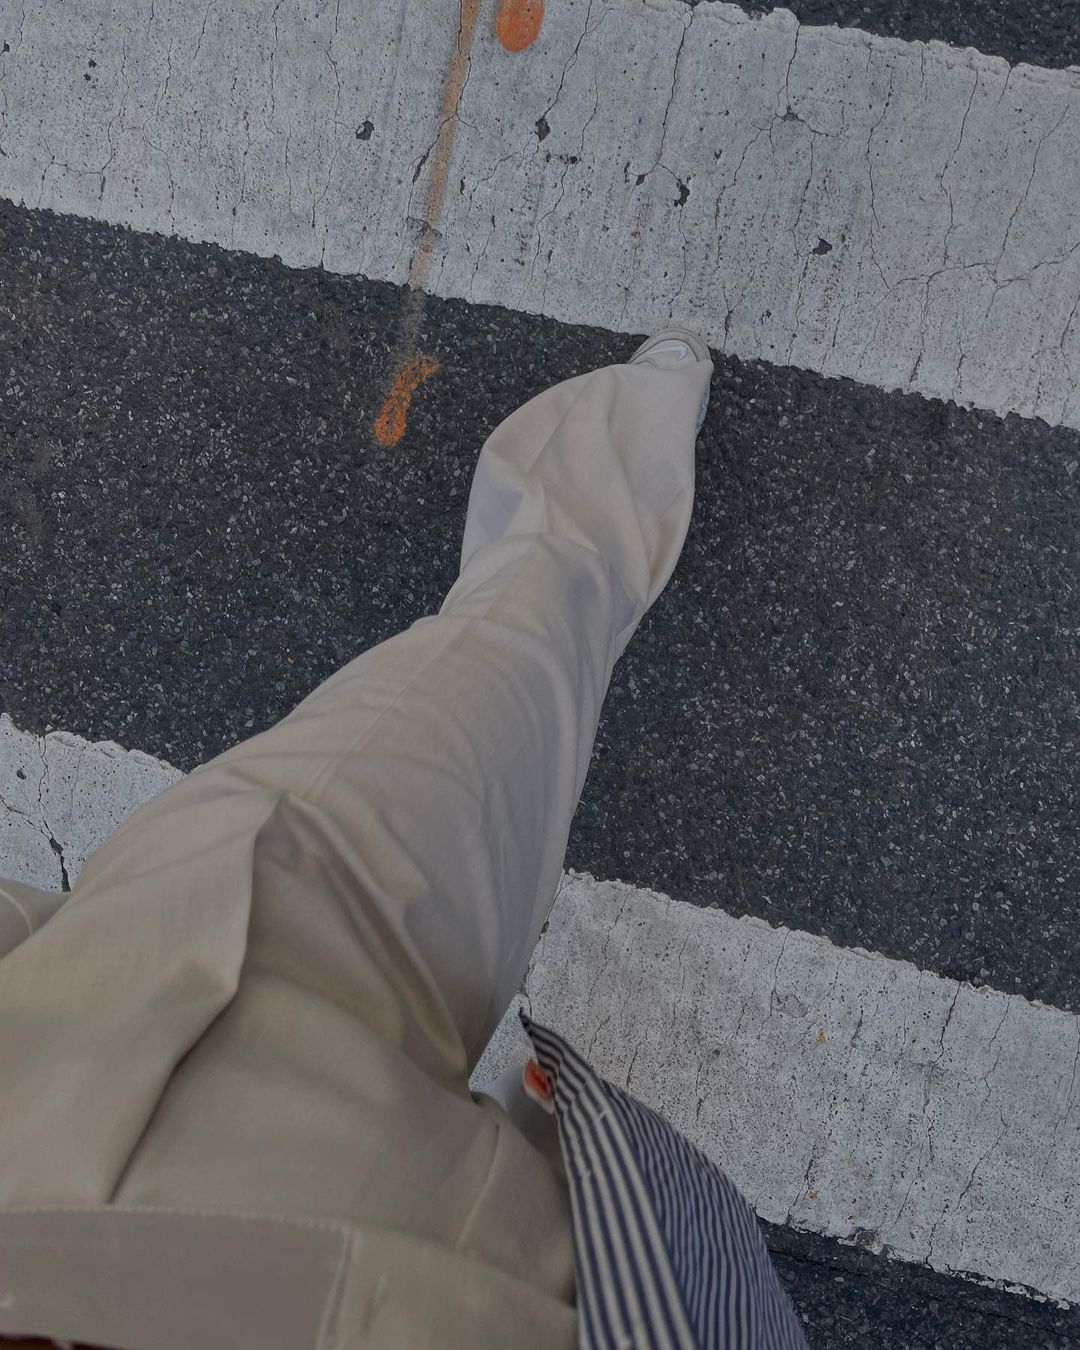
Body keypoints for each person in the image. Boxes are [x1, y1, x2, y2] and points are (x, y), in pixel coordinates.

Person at [0, 331, 807, 1349]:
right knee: (512, 648)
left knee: (504, 659)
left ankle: (623, 444)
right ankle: (622, 443)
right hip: (353, 1212)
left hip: (100, 1087)